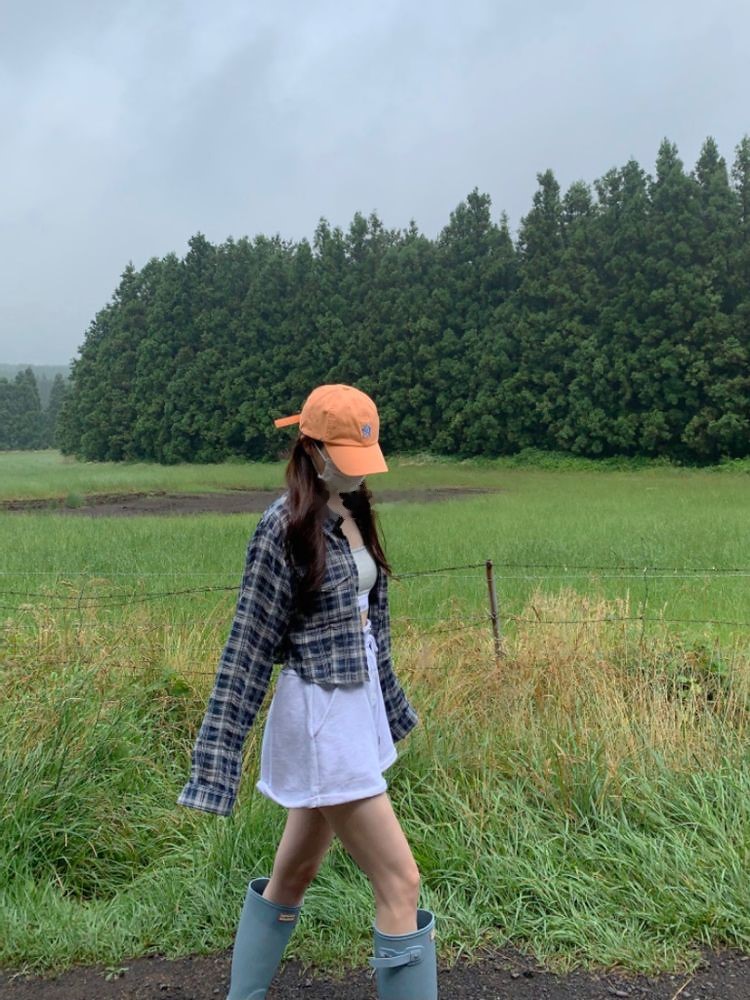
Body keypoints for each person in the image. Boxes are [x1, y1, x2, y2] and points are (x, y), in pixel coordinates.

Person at [177, 384, 438, 1000]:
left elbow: (369, 630)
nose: (359, 470)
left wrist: (389, 709)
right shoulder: (284, 527)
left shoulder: (353, 509)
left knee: (292, 874)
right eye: (346, 456)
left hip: (353, 712)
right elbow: (247, 648)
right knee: (400, 882)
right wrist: (216, 766)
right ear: (313, 449)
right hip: (321, 720)